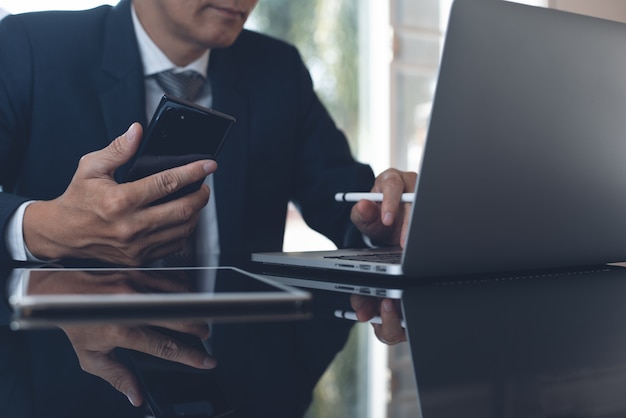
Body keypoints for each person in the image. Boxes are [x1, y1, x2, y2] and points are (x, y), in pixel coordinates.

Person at [0, 1, 415, 417]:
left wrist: (388, 215)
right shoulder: (31, 48)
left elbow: (346, 202)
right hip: (56, 369)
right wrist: (41, 227)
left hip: (245, 370)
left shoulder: (277, 68)